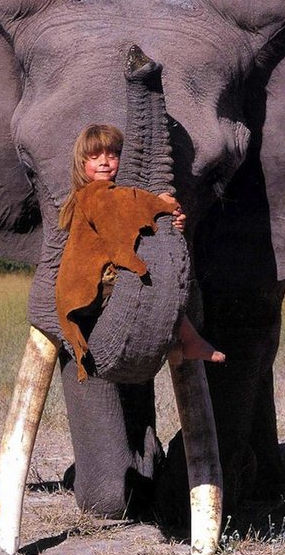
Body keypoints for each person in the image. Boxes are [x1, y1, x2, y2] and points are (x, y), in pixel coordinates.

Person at [57, 123, 225, 374]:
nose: (104, 162)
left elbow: (128, 227)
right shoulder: (95, 194)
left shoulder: (100, 195)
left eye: (113, 155)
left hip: (88, 288)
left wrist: (169, 224)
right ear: (82, 164)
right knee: (156, 280)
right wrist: (159, 203)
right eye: (94, 156)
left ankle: (184, 339)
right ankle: (189, 340)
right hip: (92, 285)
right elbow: (127, 203)